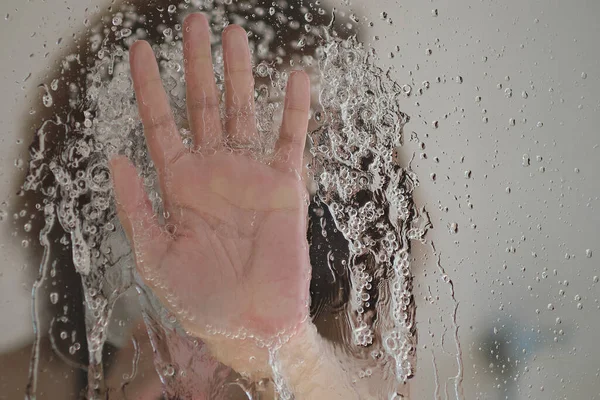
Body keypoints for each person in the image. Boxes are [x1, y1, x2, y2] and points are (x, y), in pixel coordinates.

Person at [110, 13, 359, 398]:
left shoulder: (367, 350)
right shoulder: (39, 372)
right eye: (215, 152)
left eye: (312, 140)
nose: (261, 182)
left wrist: (282, 349)